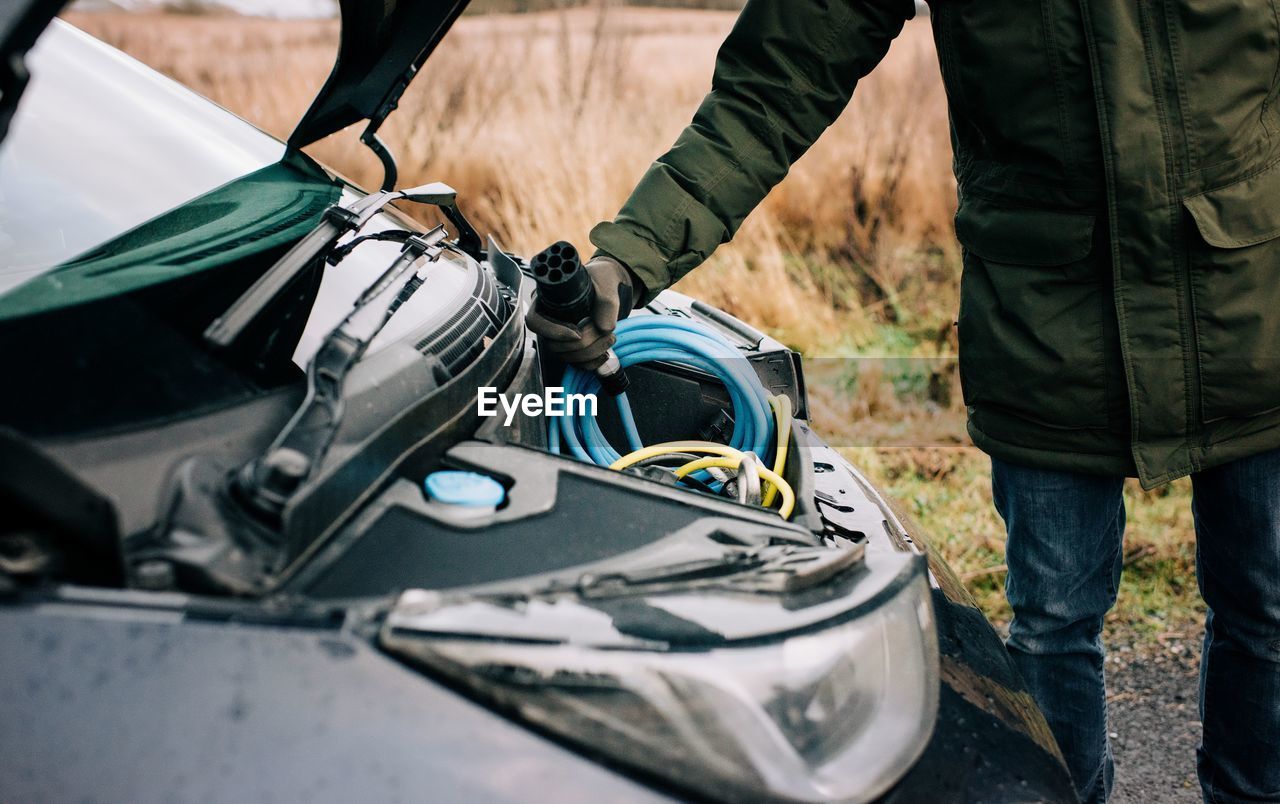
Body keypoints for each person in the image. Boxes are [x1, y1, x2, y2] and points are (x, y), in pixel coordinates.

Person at [525, 1, 1280, 802]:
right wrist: (629, 259)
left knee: (1269, 607)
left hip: (1257, 304)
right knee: (1054, 623)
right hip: (1047, 324)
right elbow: (778, 79)